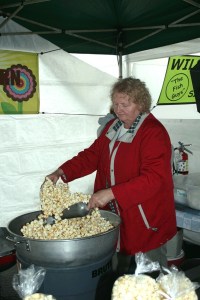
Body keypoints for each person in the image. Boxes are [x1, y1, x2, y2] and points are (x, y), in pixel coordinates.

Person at [46, 77, 177, 274]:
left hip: (145, 217)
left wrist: (111, 193)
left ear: (141, 104)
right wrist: (62, 172)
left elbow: (154, 179)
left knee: (151, 274)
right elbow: (92, 156)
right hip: (118, 213)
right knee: (123, 272)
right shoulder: (113, 128)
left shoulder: (153, 133)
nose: (119, 109)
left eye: (125, 104)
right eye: (116, 104)